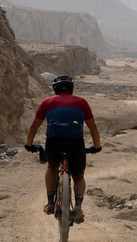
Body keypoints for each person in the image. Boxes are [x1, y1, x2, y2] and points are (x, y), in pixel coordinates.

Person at [24, 75, 101, 224]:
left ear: (55, 90)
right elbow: (93, 128)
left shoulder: (47, 102)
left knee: (52, 168)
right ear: (72, 89)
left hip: (54, 144)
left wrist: (29, 144)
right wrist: (97, 147)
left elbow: (34, 126)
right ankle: (78, 206)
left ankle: (50, 203)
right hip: (76, 144)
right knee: (78, 176)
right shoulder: (82, 102)